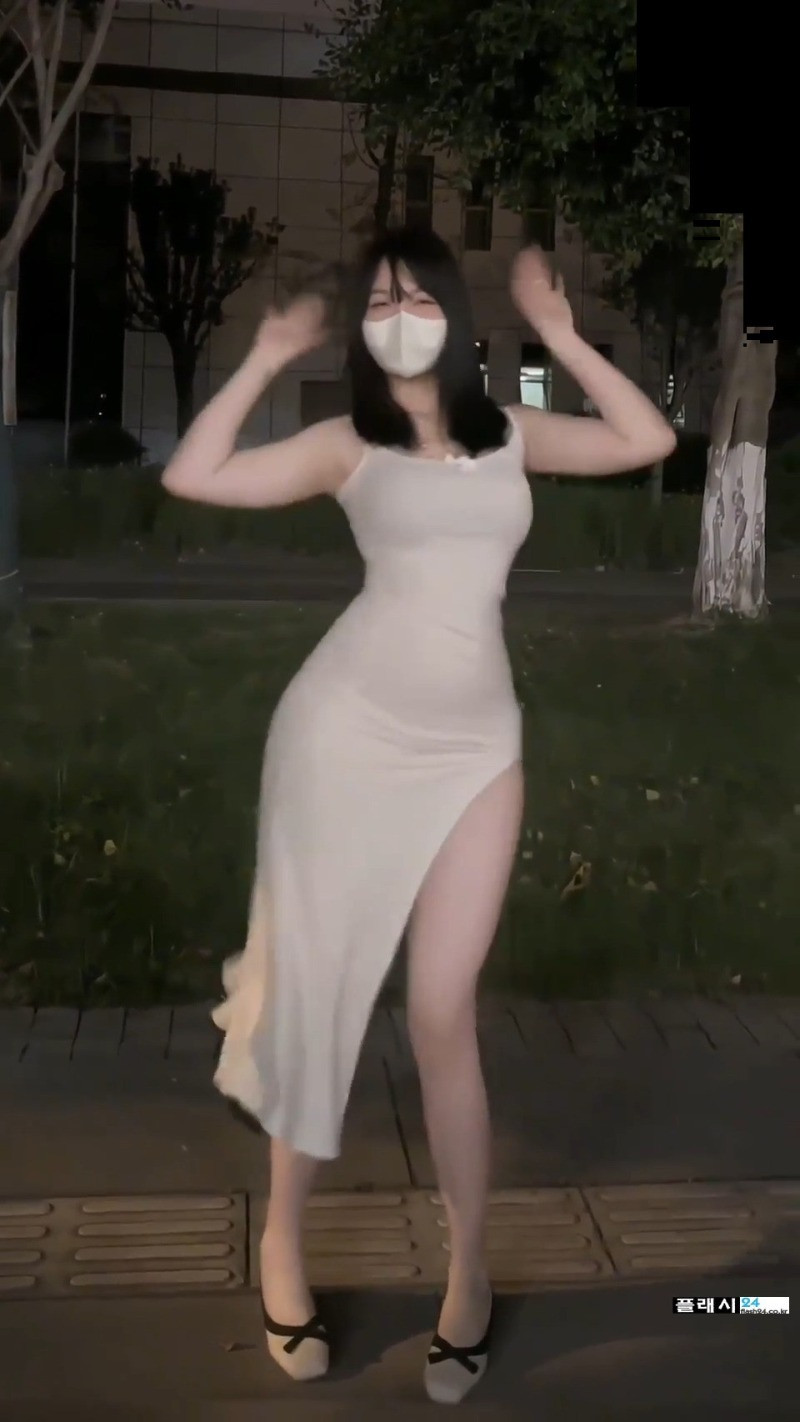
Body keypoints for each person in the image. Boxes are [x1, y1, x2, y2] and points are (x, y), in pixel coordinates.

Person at [161, 226, 675, 1404]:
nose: (398, 316)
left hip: (475, 751)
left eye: (416, 297)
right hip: (340, 740)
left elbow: (647, 439)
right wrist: (260, 357)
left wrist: (560, 335)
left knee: (442, 1013)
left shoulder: (509, 437)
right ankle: (280, 1246)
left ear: (452, 311)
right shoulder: (348, 443)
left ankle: (468, 1277)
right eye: (379, 301)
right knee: (317, 999)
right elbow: (193, 475)